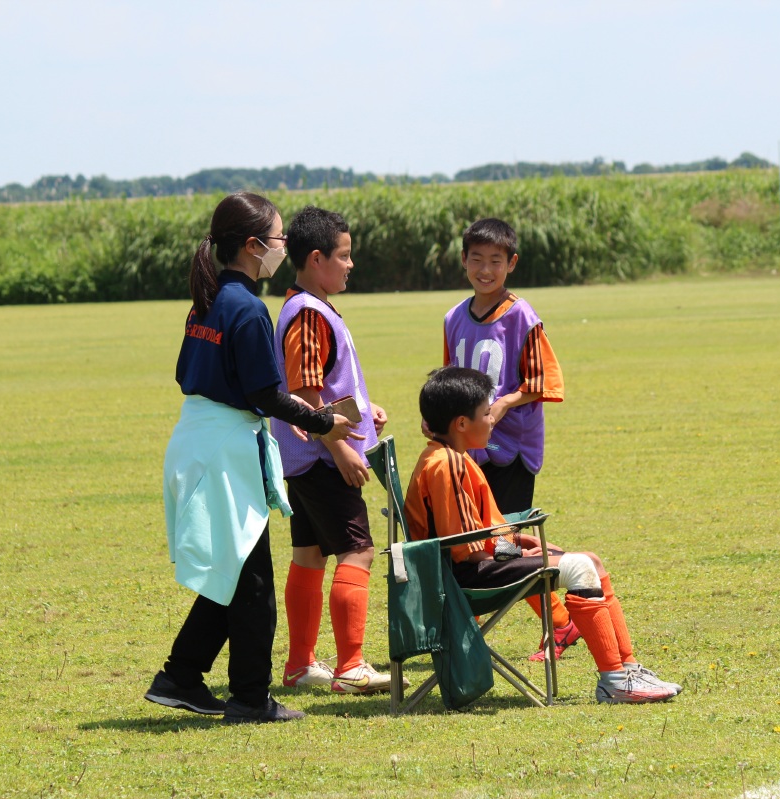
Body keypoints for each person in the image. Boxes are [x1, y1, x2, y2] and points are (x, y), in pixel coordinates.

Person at [145, 192, 362, 725]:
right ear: (252, 245)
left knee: (236, 572)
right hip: (224, 448)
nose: (283, 247)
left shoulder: (209, 299)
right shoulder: (246, 307)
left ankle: (181, 677)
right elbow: (266, 395)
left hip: (200, 438)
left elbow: (187, 373)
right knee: (253, 581)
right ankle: (248, 697)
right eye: (278, 238)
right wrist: (324, 422)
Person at [404, 366, 681, 704]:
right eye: (486, 413)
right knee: (580, 567)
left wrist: (521, 542)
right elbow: (466, 549)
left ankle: (629, 669)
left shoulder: (449, 457)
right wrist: (519, 553)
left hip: (465, 569)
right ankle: (615, 682)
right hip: (460, 579)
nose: (492, 420)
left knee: (591, 561)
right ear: (462, 423)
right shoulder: (447, 465)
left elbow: (475, 532)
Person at [442, 218, 577, 663]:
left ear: (511, 263)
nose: (485, 270)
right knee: (472, 540)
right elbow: (450, 381)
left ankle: (559, 622)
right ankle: (469, 628)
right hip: (469, 450)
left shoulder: (522, 315)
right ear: (464, 261)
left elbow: (542, 380)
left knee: (506, 542)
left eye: (495, 261)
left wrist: (502, 404)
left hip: (511, 450)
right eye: (477, 260)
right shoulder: (453, 318)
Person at [270, 206, 393, 694]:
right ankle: (351, 666)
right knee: (357, 551)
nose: (350, 264)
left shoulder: (310, 306)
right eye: (343, 256)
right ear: (316, 258)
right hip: (322, 458)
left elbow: (326, 382)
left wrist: (364, 406)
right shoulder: (307, 313)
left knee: (309, 554)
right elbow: (304, 392)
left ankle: (300, 664)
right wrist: (340, 448)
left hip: (305, 459)